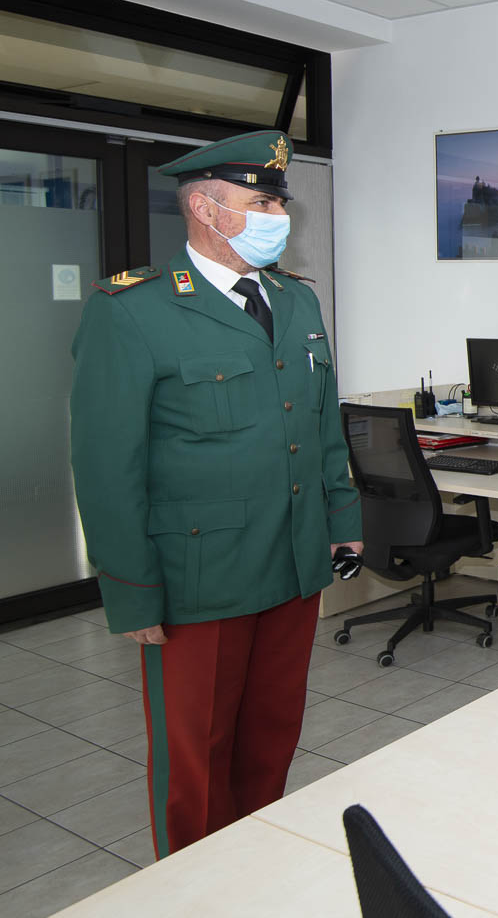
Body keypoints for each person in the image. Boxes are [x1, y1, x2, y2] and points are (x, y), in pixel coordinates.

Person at [69, 131, 363, 859]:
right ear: (205, 207)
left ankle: (253, 870)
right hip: (198, 577)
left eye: (278, 202)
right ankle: (197, 892)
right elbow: (107, 463)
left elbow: (322, 423)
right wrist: (132, 590)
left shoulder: (296, 303)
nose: (278, 216)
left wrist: (342, 520)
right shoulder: (134, 310)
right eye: (261, 201)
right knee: (197, 761)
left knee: (270, 738)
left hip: (293, 561)